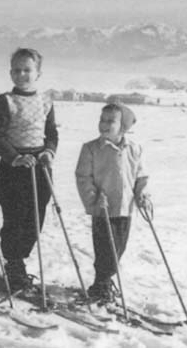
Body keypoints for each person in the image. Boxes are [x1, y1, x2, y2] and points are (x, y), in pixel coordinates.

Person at [0, 48, 58, 294]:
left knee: (35, 216)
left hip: (39, 167)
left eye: (27, 70)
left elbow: (51, 134)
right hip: (13, 168)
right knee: (15, 216)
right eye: (16, 70)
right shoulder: (6, 101)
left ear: (38, 73)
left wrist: (49, 151)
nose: (21, 74)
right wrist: (15, 157)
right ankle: (13, 263)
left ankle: (22, 257)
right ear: (10, 73)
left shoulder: (46, 101)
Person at [75, 103, 150, 303]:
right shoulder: (91, 148)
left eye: (111, 121)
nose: (104, 124)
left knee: (118, 250)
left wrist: (142, 194)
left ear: (123, 126)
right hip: (103, 209)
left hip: (125, 208)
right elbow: (83, 177)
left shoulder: (134, 148)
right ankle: (101, 285)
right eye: (102, 120)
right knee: (105, 250)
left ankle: (105, 281)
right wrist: (93, 199)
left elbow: (140, 176)